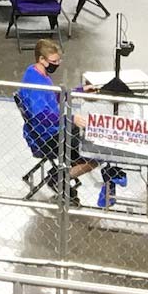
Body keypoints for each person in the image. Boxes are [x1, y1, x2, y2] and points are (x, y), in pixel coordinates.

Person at [16, 38, 102, 189]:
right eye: (54, 61)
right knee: (96, 154)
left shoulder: (36, 72)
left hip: (53, 130)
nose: (57, 64)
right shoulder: (36, 83)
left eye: (59, 60)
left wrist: (80, 90)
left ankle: (63, 171)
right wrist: (71, 118)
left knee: (87, 137)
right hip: (47, 138)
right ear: (41, 59)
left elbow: (54, 96)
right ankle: (58, 179)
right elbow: (41, 116)